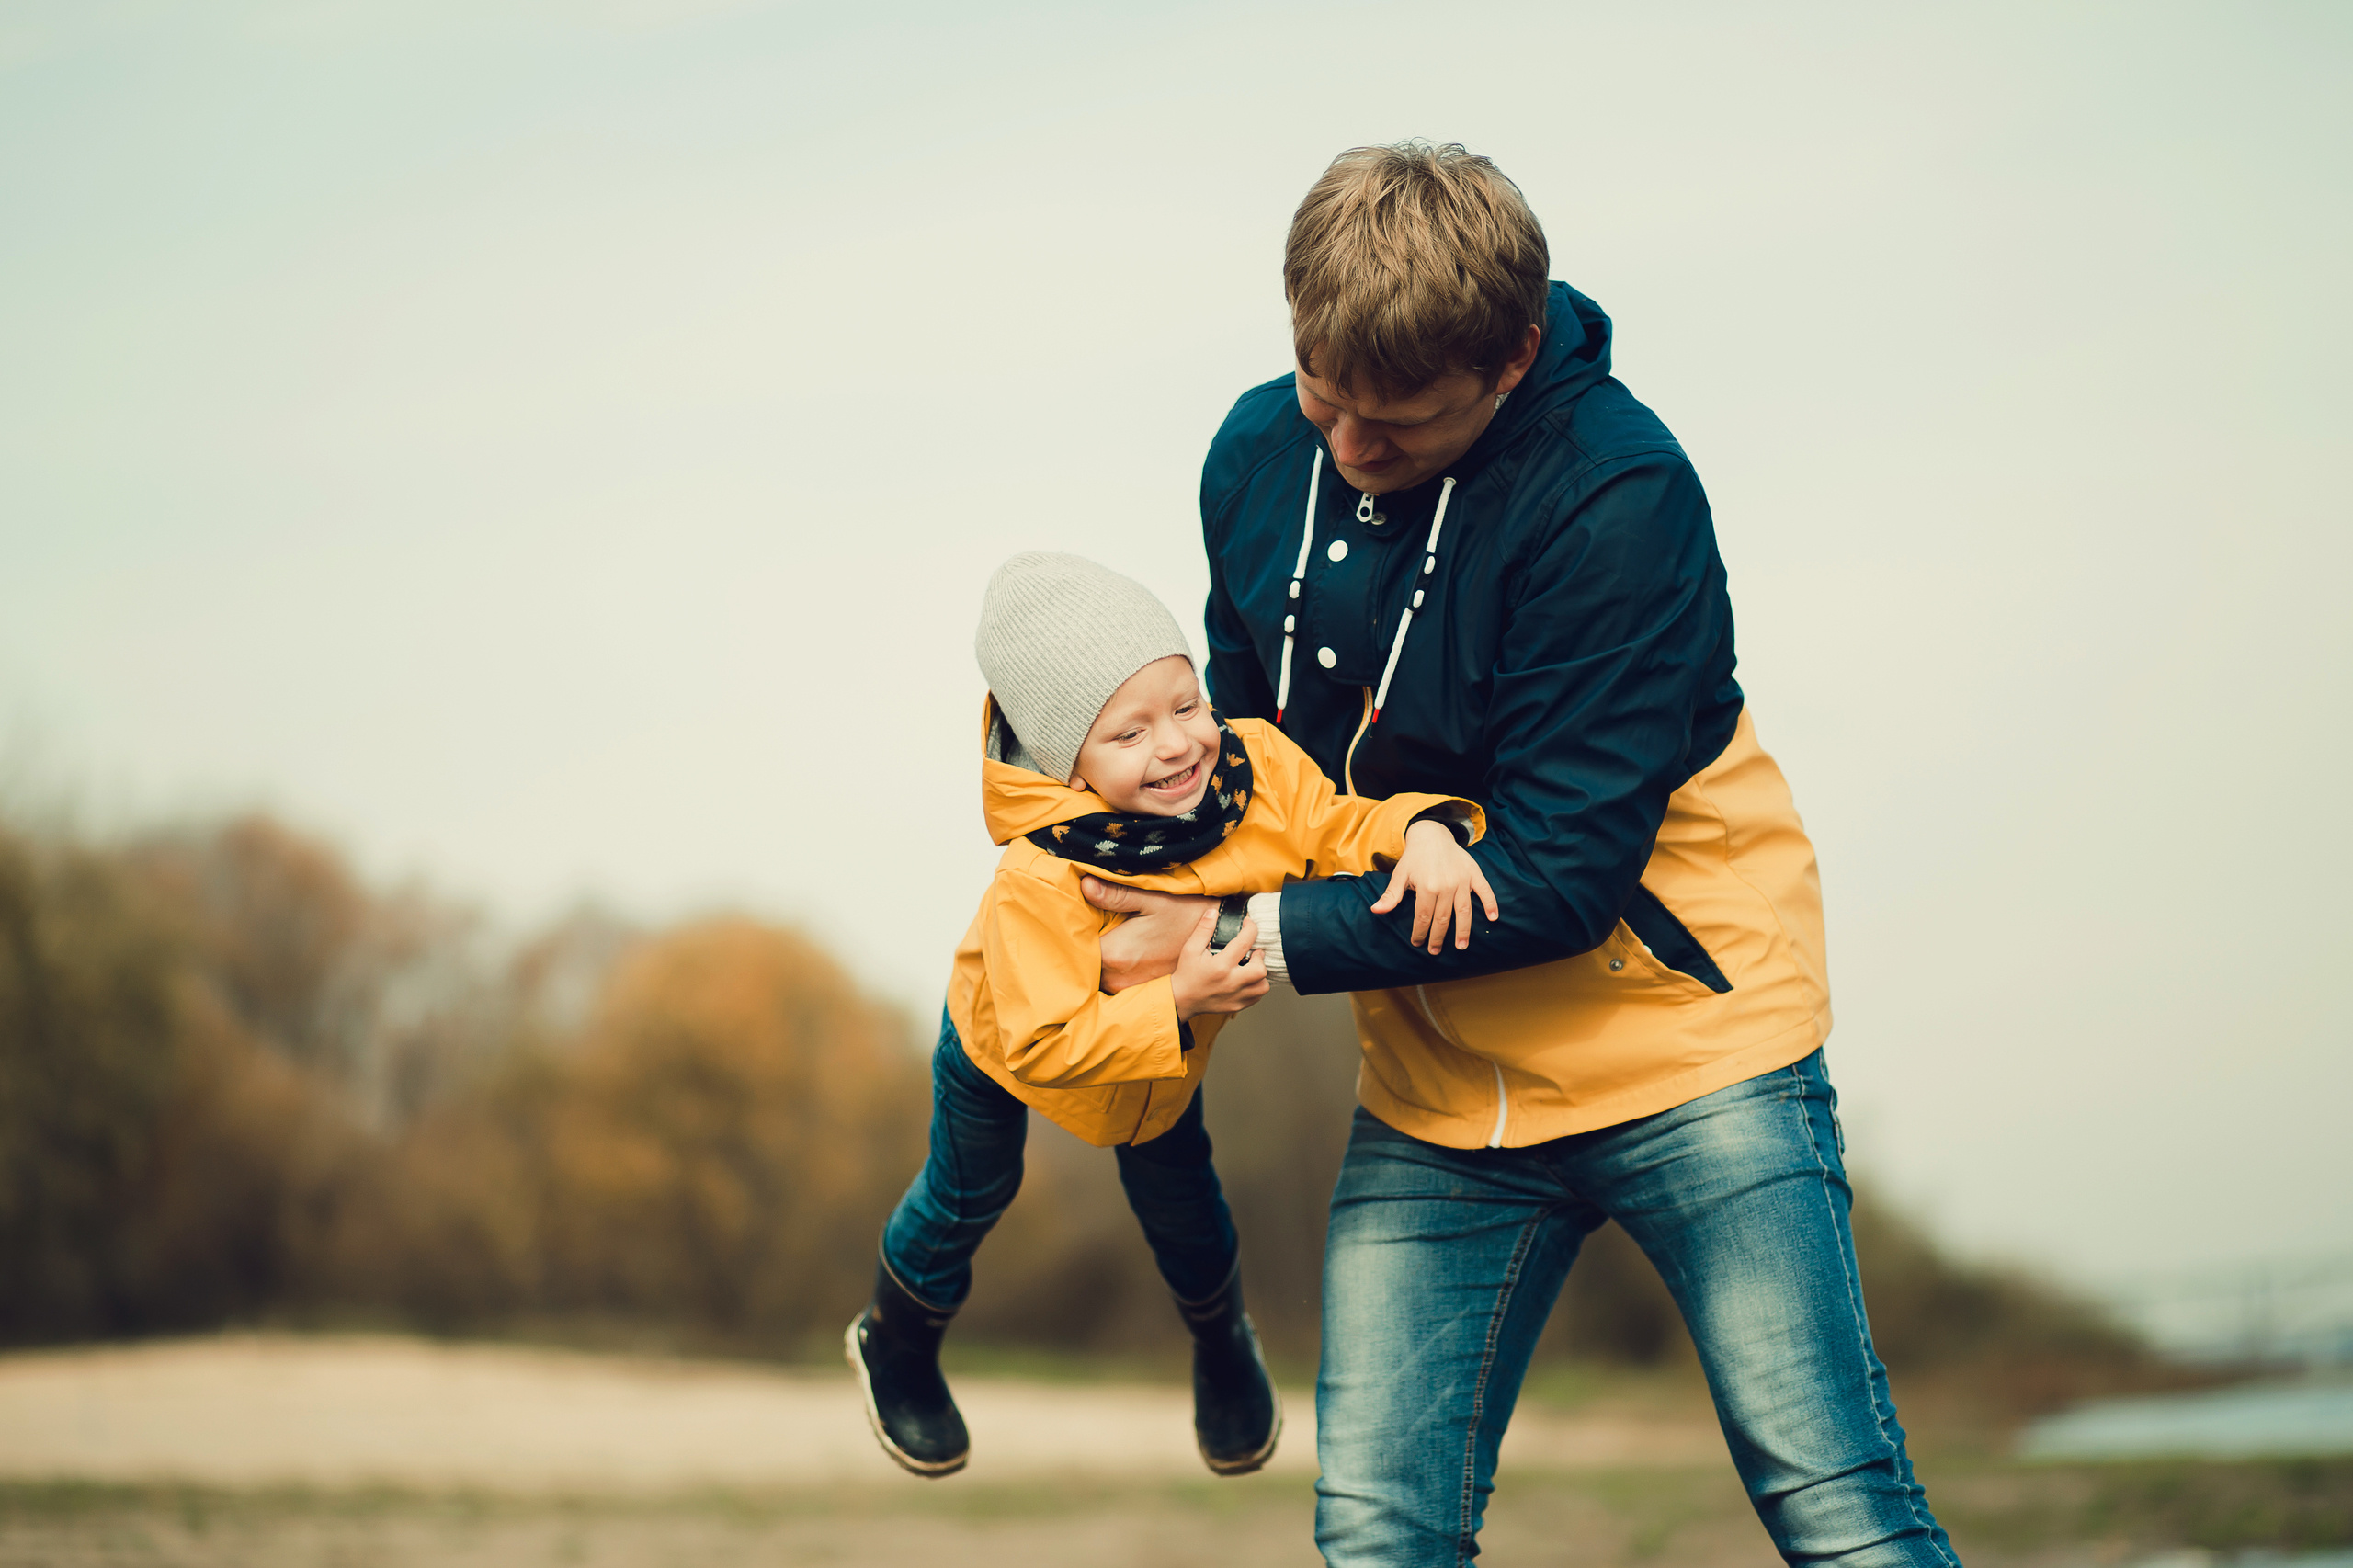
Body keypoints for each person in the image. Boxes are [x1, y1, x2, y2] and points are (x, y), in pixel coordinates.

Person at [1083, 143, 1962, 1565]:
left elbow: (1553, 875)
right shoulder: (1256, 452)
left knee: (1837, 1508)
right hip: (1440, 1092)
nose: (1350, 447)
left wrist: (1254, 932)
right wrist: (1134, 869)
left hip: (1687, 1046)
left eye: (1402, 423)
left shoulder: (1621, 495)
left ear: (1506, 361)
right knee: (1376, 1535)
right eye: (1326, 396)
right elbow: (1255, 743)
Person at [845, 551, 1495, 1481]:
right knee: (967, 1192)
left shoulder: (1254, 772)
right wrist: (1178, 998)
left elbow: (1337, 825)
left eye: (1186, 703)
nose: (1179, 744)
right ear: (1067, 758)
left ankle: (1221, 1341)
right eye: (1129, 732)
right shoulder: (1042, 877)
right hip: (1007, 1044)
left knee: (1186, 1207)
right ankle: (896, 1340)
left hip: (1157, 1066)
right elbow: (1044, 1038)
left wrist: (1420, 829)